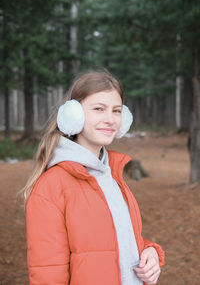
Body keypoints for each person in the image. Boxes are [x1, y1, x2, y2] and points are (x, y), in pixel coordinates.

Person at [23, 70, 165, 285]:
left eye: (116, 111)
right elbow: (47, 273)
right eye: (99, 109)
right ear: (73, 115)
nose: (110, 119)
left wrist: (150, 251)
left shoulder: (113, 175)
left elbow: (115, 241)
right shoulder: (51, 187)